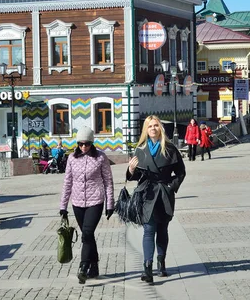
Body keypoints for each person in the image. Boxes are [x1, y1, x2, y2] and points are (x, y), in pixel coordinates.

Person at [127, 115, 186, 283]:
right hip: (147, 195)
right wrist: (131, 170)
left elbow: (181, 172)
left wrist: (171, 186)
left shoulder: (170, 149)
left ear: (160, 128)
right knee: (148, 230)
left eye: (156, 125)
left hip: (164, 194)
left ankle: (161, 262)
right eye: (150, 126)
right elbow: (136, 175)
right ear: (146, 129)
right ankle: (147, 268)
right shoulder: (140, 149)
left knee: (162, 230)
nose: (153, 128)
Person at [59, 126, 114, 284]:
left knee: (87, 234)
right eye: (81, 144)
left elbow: (108, 182)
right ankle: (95, 266)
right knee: (88, 236)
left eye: (87, 144)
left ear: (92, 143)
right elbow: (67, 183)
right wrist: (63, 206)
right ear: (77, 143)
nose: (84, 147)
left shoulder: (101, 158)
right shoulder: (71, 158)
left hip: (95, 201)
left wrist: (110, 204)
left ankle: (83, 267)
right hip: (77, 203)